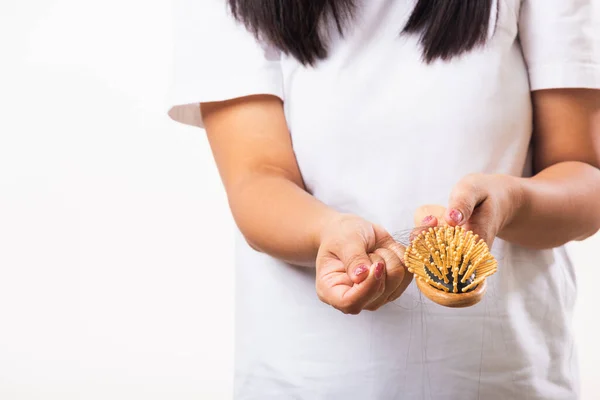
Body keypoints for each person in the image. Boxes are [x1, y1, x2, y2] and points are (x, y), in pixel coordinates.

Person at [168, 0, 600, 398]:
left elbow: (581, 175)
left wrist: (511, 202)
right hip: (303, 380)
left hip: (510, 382)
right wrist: (329, 233)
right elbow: (256, 179)